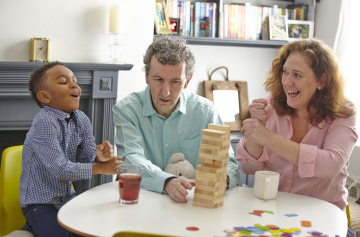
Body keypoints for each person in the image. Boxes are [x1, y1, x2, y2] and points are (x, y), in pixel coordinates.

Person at [236, 39, 357, 236]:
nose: (287, 81)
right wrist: (258, 130)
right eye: (285, 72)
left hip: (324, 217)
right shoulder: (271, 105)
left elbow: (330, 164)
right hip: (274, 216)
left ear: (322, 81)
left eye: (297, 75)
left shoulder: (343, 113)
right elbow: (248, 168)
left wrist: (269, 138)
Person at [112, 36, 239, 203]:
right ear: (147, 76)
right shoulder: (126, 110)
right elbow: (131, 159)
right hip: (140, 202)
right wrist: (167, 182)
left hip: (191, 204)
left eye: (175, 82)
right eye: (158, 80)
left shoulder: (206, 111)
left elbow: (228, 163)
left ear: (187, 81)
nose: (166, 92)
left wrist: (224, 179)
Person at [20, 61, 123, 237]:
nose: (74, 85)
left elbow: (87, 158)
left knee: (93, 230)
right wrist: (100, 168)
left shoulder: (81, 119)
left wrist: (99, 159)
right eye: (63, 82)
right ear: (45, 97)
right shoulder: (44, 122)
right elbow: (60, 169)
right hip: (40, 204)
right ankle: (31, 226)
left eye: (74, 81)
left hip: (67, 200)